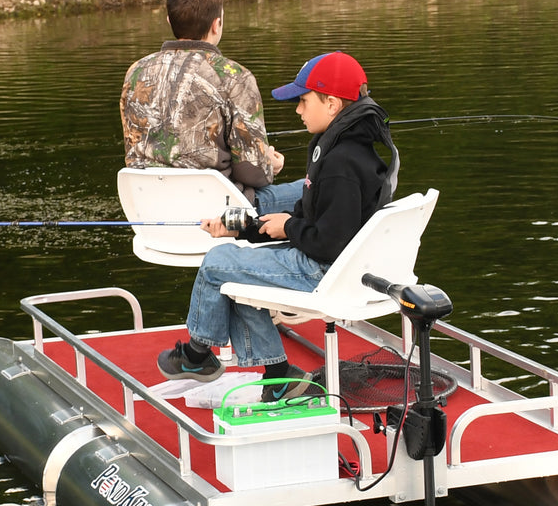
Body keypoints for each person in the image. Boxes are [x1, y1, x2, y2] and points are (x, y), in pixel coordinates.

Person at [156, 51, 400, 402]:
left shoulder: (341, 163)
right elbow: (309, 219)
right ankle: (278, 375)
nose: (298, 111)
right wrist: (243, 230)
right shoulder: (345, 148)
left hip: (325, 270)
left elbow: (329, 243)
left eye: (303, 101)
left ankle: (198, 357)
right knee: (236, 262)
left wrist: (289, 229)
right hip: (335, 262)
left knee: (216, 264)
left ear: (331, 104)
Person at [120, 0, 303, 215]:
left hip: (151, 214)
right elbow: (253, 172)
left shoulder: (136, 72)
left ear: (169, 21)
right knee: (315, 189)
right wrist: (270, 163)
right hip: (222, 215)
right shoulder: (234, 76)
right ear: (217, 24)